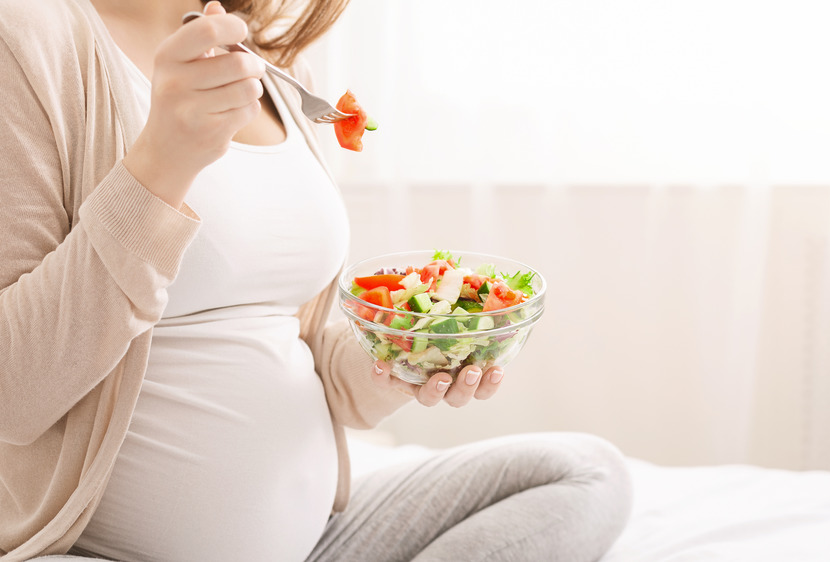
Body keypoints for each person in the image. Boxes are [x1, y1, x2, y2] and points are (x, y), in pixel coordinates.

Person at [0, 0, 633, 560]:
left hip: (318, 545)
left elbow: (293, 348)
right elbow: (15, 387)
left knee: (585, 475)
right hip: (94, 547)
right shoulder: (25, 37)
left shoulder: (277, 72)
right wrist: (161, 165)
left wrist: (406, 348)